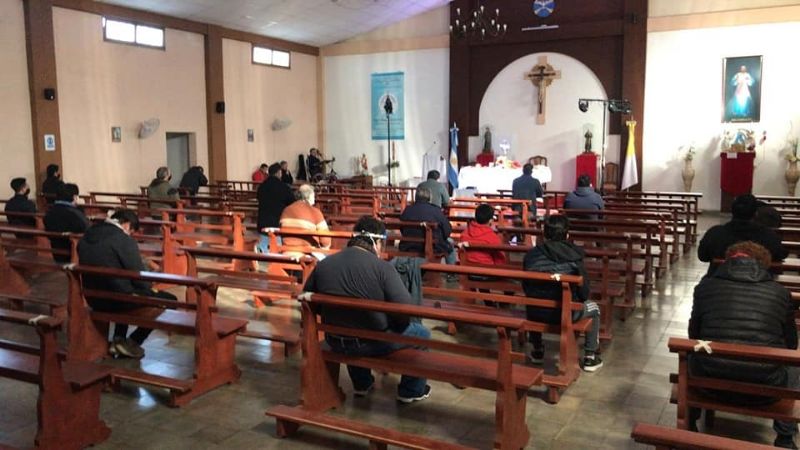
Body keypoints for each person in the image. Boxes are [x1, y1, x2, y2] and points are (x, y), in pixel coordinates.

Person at [302, 215, 431, 403]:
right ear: (377, 242)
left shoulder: (324, 264)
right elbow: (405, 311)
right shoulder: (382, 268)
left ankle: (362, 383)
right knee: (421, 334)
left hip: (335, 339)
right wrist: (393, 323)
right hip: (371, 343)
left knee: (352, 323)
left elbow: (311, 301)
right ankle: (411, 390)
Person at [688, 241, 797, 448]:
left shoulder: (705, 287)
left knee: (692, 353)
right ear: (764, 265)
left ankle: (690, 422)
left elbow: (694, 335)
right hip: (765, 387)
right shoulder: (780, 293)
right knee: (793, 363)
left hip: (709, 381)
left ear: (728, 261)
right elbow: (791, 343)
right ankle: (785, 436)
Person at [78, 209, 177, 359]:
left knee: (123, 287)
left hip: (93, 297)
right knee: (169, 300)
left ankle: (119, 339)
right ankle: (133, 342)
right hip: (118, 300)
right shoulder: (123, 240)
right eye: (131, 231)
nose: (130, 235)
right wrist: (149, 287)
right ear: (126, 224)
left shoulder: (87, 235)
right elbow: (138, 276)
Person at [522, 215, 602, 372]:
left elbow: (526, 287)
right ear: (567, 234)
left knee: (535, 300)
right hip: (565, 313)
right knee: (595, 309)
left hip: (535, 311)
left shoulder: (531, 255)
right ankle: (590, 357)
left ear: (544, 234)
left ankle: (537, 350)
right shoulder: (574, 257)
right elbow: (584, 293)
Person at [698, 194, 787, 275]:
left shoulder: (715, 233)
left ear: (732, 212)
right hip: (760, 286)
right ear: (756, 214)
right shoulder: (769, 236)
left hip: (719, 284)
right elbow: (781, 255)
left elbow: (702, 256)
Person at [399, 187, 456, 266]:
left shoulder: (408, 210)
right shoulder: (435, 210)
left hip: (409, 245)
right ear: (430, 198)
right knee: (450, 242)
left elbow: (402, 229)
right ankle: (451, 273)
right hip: (433, 247)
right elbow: (447, 230)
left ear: (416, 197)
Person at [279, 184, 331, 258]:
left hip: (287, 251)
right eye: (313, 196)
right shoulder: (315, 212)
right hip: (307, 252)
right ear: (308, 197)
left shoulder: (286, 210)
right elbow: (326, 240)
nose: (314, 199)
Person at [43, 183, 90, 263]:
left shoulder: (48, 213)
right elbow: (87, 230)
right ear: (74, 197)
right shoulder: (74, 214)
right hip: (76, 253)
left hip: (57, 253)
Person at [257, 163, 296, 252]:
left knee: (264, 245)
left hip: (262, 223)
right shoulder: (284, 187)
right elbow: (292, 203)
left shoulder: (262, 186)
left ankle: (263, 251)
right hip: (277, 224)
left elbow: (259, 198)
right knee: (276, 247)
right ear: (278, 173)